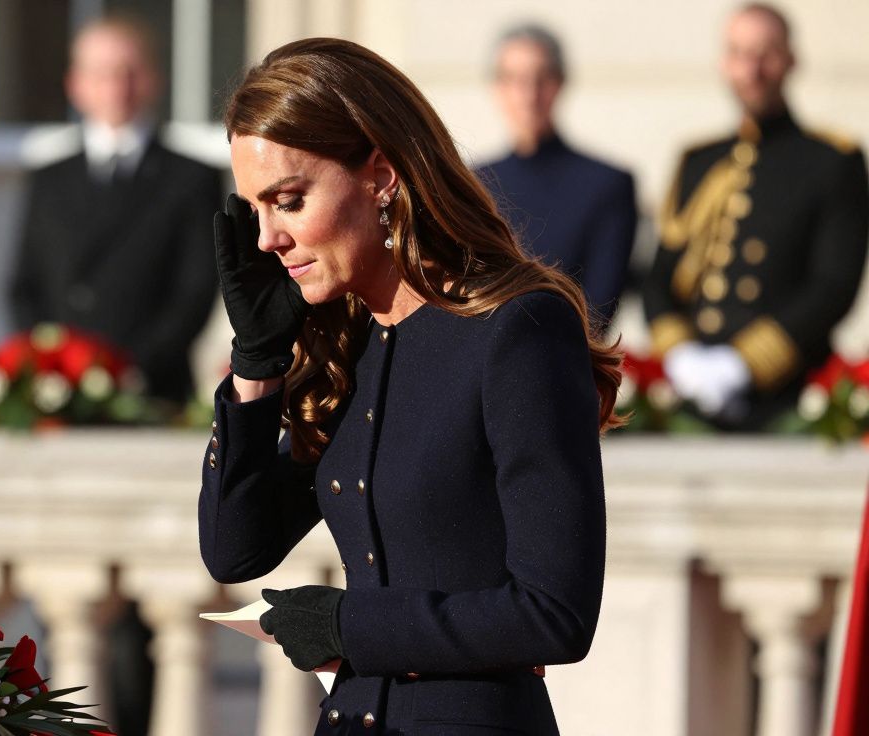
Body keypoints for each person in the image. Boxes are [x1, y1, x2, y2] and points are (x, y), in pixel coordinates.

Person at [200, 38, 617, 735]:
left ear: (380, 177)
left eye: (290, 201)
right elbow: (234, 550)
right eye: (255, 209)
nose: (268, 238)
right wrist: (256, 361)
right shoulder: (348, 346)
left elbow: (555, 614)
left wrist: (347, 625)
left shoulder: (515, 328)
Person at [644, 2, 868, 430]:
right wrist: (681, 356)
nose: (752, 70)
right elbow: (659, 279)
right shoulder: (699, 161)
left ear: (791, 60)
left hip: (790, 401)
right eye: (739, 53)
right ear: (724, 62)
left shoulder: (832, 160)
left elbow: (834, 284)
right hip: (690, 402)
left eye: (766, 54)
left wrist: (743, 365)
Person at [9, 16, 221, 406]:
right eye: (101, 73)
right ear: (75, 84)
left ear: (154, 79)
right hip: (60, 390)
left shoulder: (190, 177)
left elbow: (195, 290)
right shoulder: (49, 179)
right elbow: (25, 286)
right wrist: (54, 362)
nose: (116, 87)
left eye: (129, 72)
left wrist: (131, 368)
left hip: (153, 387)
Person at [475, 23, 637, 329]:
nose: (529, 95)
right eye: (515, 79)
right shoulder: (473, 184)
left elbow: (599, 308)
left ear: (560, 83)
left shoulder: (606, 185)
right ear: (497, 87)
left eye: (542, 78)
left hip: (568, 351)